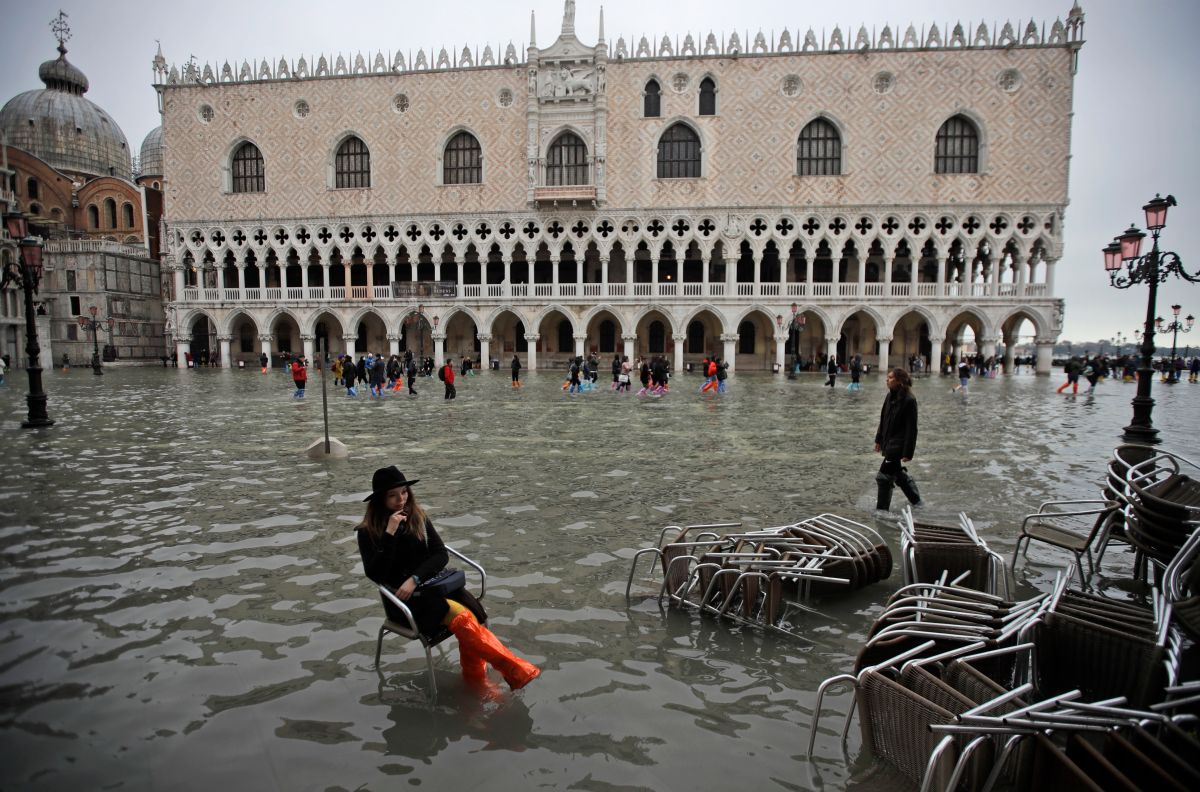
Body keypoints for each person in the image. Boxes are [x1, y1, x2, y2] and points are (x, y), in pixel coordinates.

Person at [356, 467, 539, 690]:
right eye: (393, 495)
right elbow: (376, 574)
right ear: (379, 500)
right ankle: (509, 673)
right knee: (464, 619)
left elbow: (440, 554)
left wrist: (415, 577)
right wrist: (390, 534)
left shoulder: (417, 517)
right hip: (403, 601)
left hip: (433, 587)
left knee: (472, 615)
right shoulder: (367, 532)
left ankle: (478, 683)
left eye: (404, 492)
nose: (401, 499)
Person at [873, 367, 921, 511]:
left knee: (883, 476)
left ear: (899, 381)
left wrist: (908, 452)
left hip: (897, 446)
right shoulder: (889, 396)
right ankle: (917, 502)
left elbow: (911, 429)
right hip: (888, 442)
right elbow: (883, 419)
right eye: (887, 377)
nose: (887, 380)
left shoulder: (909, 400)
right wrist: (878, 439)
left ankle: (881, 511)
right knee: (897, 473)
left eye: (890, 377)